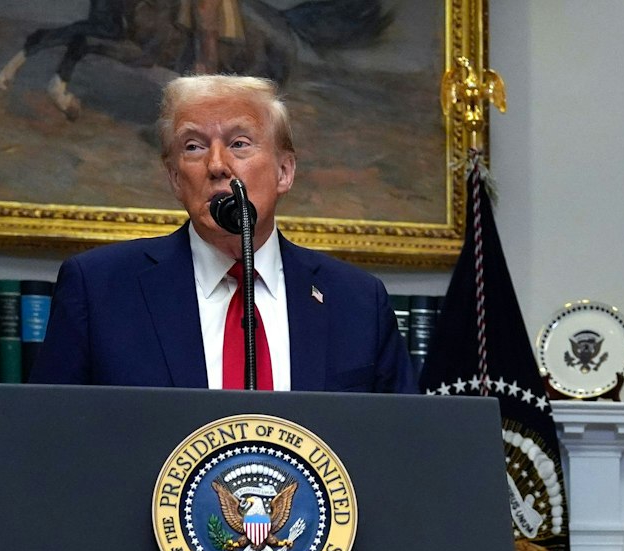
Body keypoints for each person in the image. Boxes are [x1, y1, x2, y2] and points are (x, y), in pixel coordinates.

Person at [31, 74, 415, 393]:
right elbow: (51, 446)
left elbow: (400, 450)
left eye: (239, 144)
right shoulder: (99, 289)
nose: (217, 165)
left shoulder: (357, 301)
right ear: (174, 178)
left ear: (284, 172)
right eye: (194, 146)